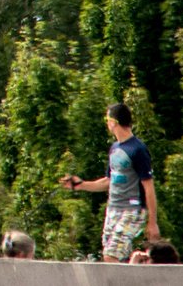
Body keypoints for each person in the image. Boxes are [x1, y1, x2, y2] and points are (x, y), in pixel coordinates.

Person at [60, 101, 157, 264]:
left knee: (111, 255)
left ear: (113, 122)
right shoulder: (114, 148)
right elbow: (108, 182)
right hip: (113, 209)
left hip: (132, 209)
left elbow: (149, 187)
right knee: (111, 255)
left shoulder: (137, 149)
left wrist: (152, 222)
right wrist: (80, 184)